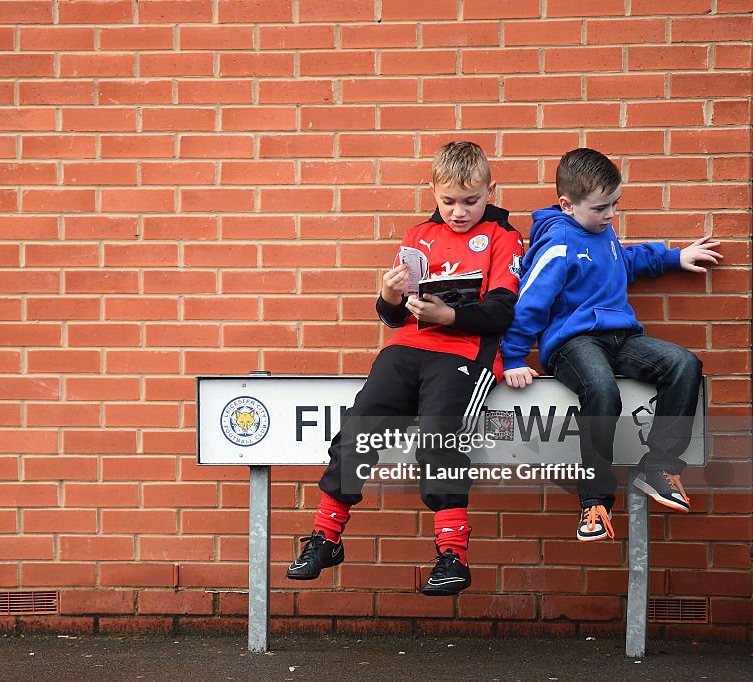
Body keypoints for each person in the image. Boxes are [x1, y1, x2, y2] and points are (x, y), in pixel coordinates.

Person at [286, 141, 524, 596]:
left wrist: (451, 317)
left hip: (465, 355)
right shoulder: (418, 236)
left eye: (471, 201)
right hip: (407, 347)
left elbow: (502, 312)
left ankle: (452, 554)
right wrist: (389, 296)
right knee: (359, 427)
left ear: (490, 191)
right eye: (448, 201)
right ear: (433, 190)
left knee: (440, 437)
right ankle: (325, 536)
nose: (458, 212)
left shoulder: (502, 236)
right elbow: (394, 317)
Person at [501, 147, 720, 542]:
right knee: (602, 390)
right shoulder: (558, 243)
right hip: (575, 342)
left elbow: (625, 259)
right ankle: (594, 501)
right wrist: (513, 356)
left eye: (615, 205)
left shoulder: (603, 232)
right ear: (567, 205)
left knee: (684, 364)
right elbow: (530, 302)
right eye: (602, 208)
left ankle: (659, 467)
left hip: (622, 337)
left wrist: (672, 257)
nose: (610, 215)